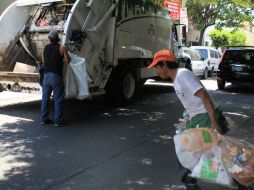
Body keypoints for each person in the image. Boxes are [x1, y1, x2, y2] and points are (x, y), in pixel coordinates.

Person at [147, 50, 228, 190]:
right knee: (194, 152)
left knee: (195, 153)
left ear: (164, 64)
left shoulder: (183, 74)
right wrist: (187, 118)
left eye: (157, 66)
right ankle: (192, 181)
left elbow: (203, 95)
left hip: (205, 118)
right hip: (198, 118)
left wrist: (214, 122)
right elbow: (193, 101)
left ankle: (194, 181)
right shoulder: (177, 79)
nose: (156, 70)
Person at [40, 30, 70, 127]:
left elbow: (44, 62)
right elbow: (67, 60)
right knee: (58, 98)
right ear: (57, 39)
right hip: (56, 76)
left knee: (45, 98)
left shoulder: (44, 48)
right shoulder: (62, 47)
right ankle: (58, 120)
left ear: (49, 38)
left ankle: (44, 119)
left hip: (46, 76)